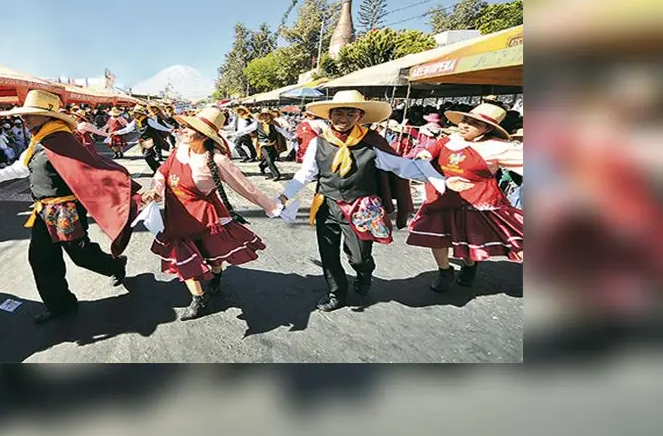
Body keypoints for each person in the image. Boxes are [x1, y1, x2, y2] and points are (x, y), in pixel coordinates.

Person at [0, 90, 140, 324]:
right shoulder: (38, 141)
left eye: (31, 115)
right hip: (42, 211)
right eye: (24, 115)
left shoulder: (63, 141)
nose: (25, 119)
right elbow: (19, 168)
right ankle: (60, 304)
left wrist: (130, 190)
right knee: (41, 258)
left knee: (81, 255)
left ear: (48, 117)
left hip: (66, 211)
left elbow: (96, 169)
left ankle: (115, 265)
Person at [275, 91, 444, 313]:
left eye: (350, 112)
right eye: (338, 112)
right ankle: (337, 293)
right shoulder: (319, 142)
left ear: (359, 116)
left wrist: (443, 181)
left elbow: (403, 166)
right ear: (330, 115)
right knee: (328, 253)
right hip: (327, 204)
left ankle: (364, 273)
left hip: (362, 208)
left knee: (359, 256)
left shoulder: (373, 142)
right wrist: (284, 196)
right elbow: (306, 174)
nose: (342, 118)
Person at [139, 107, 280, 320]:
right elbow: (162, 172)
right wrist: (155, 190)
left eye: (190, 127)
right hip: (178, 216)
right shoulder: (179, 150)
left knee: (210, 251)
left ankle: (216, 275)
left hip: (205, 216)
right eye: (185, 126)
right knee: (184, 256)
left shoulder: (217, 160)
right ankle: (199, 298)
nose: (183, 130)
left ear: (204, 135)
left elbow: (246, 187)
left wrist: (272, 207)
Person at [407, 103, 524, 291]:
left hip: (474, 201)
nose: (465, 125)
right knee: (436, 237)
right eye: (465, 120)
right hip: (442, 196)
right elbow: (427, 153)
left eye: (474, 123)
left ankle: (470, 266)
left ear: (487, 128)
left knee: (468, 239)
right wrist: (422, 158)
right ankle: (444, 270)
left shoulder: (497, 147)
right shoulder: (448, 140)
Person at [110, 105, 172, 174]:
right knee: (148, 156)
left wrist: (168, 129)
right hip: (143, 140)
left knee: (147, 155)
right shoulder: (135, 121)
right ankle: (158, 169)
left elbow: (157, 126)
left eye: (136, 113)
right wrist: (117, 132)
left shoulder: (147, 119)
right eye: (134, 113)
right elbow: (127, 129)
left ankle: (157, 169)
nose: (134, 114)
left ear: (140, 113)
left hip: (151, 139)